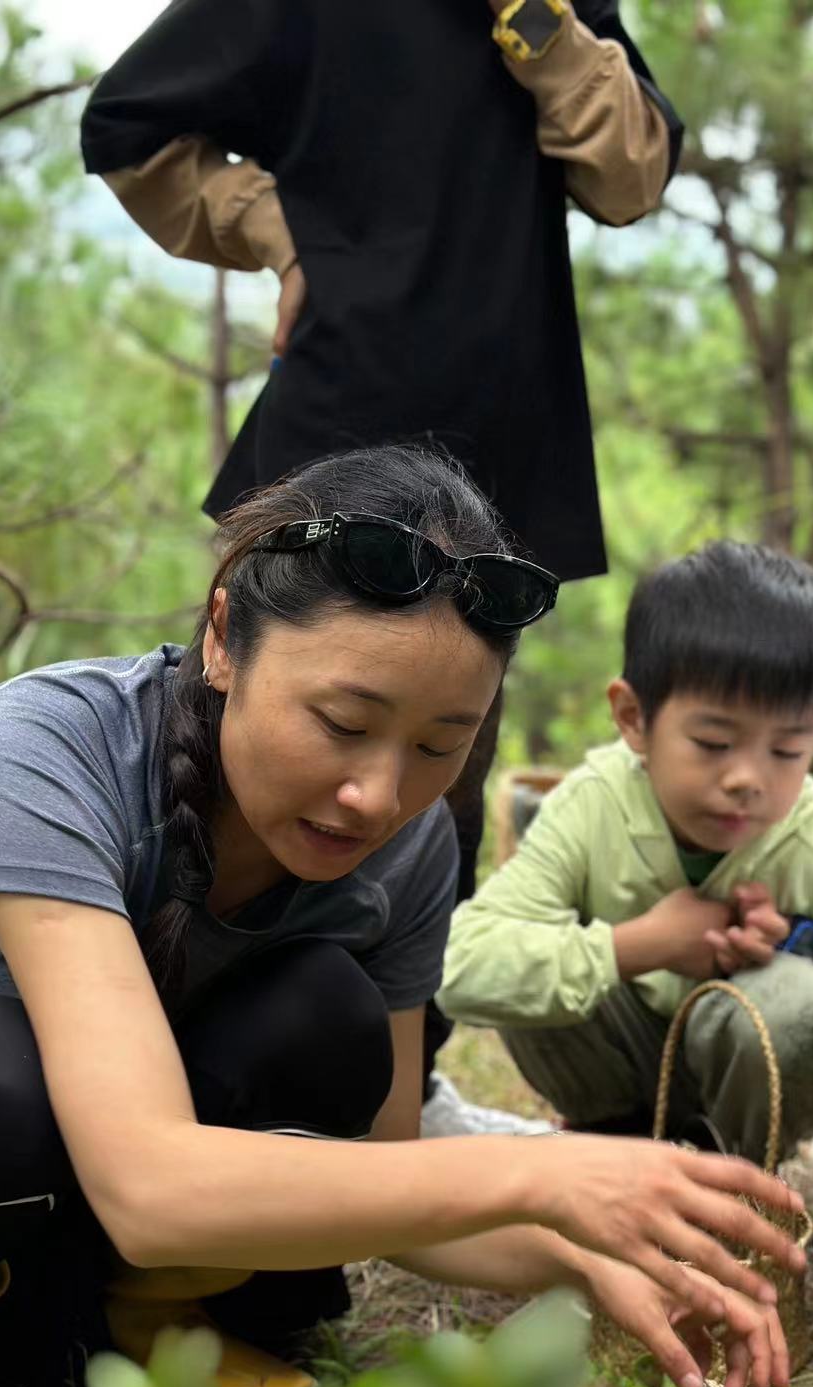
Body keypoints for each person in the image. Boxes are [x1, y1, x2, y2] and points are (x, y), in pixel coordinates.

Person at [0, 446, 805, 1387]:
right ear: (224, 639)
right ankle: (3, 1369)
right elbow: (146, 1184)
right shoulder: (36, 756)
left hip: (113, 1199)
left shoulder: (410, 849)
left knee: (323, 1017)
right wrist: (547, 1173)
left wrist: (592, 1250)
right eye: (344, 723)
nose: (378, 797)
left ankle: (135, 1331)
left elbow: (393, 1171)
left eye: (441, 746)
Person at [79, 0, 684, 1140]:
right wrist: (275, 231)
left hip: (503, 431)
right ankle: (139, 1055)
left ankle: (405, 1072)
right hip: (333, 421)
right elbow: (127, 124)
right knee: (238, 749)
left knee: (437, 781)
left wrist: (541, 27)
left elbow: (629, 178)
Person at [439, 542, 813, 1161]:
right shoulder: (594, 803)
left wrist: (794, 949)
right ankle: (615, 1147)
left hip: (746, 1105)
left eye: (786, 751)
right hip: (619, 1075)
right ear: (633, 718)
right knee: (527, 955)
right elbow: (460, 966)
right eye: (713, 741)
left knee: (795, 1004)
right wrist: (639, 946)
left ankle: (740, 1172)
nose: (748, 779)